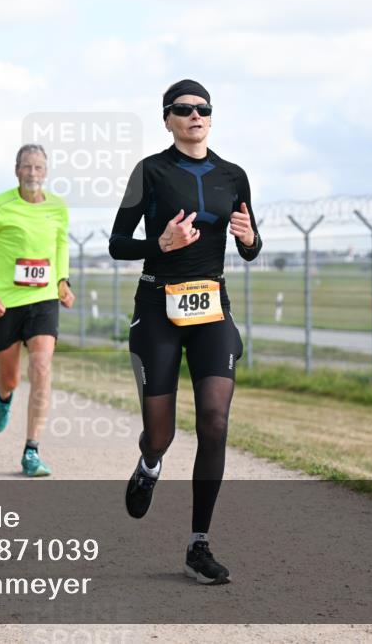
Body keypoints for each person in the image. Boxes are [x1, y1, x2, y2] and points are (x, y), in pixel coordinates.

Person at [109, 80, 262, 585]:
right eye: (183, 109)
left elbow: (250, 246)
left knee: (215, 420)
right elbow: (117, 243)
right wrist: (161, 243)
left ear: (211, 118)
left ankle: (199, 544)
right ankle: (150, 463)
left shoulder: (234, 176)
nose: (195, 115)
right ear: (167, 119)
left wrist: (250, 240)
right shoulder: (149, 171)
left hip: (211, 307)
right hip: (158, 306)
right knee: (162, 433)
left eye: (203, 108)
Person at [0, 144, 74, 477]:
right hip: (6, 303)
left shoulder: (58, 207)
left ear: (46, 172)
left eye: (39, 167)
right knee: (11, 378)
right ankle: (3, 392)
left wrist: (62, 280)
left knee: (41, 366)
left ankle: (31, 450)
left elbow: (61, 244)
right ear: (16, 171)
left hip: (43, 299)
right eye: (27, 166)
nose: (32, 173)